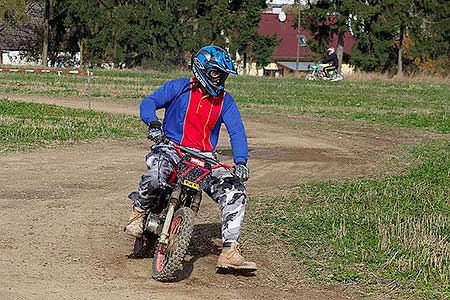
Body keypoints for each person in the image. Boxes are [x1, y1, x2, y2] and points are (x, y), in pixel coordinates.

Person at [125, 45, 257, 271]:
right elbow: (148, 103)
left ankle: (230, 250)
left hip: (205, 157)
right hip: (172, 147)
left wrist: (241, 161)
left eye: (223, 75)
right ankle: (138, 213)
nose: (220, 79)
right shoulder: (179, 87)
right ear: (202, 69)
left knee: (236, 191)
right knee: (156, 174)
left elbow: (237, 131)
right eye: (216, 73)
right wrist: (154, 124)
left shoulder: (226, 101)